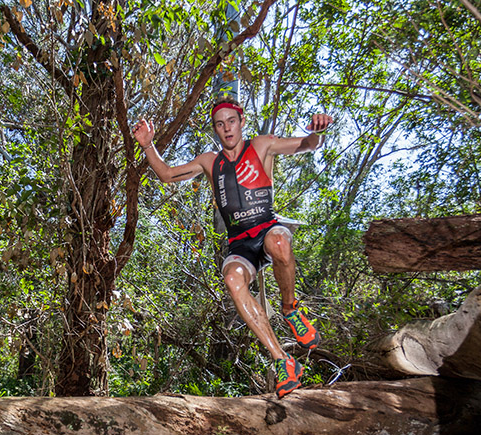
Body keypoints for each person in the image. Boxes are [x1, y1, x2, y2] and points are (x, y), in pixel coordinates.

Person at [131, 96, 331, 398]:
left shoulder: (262, 145)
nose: (227, 128)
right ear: (216, 129)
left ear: (242, 122)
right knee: (232, 279)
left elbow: (307, 145)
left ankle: (290, 309)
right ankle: (282, 361)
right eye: (220, 124)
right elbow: (167, 175)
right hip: (240, 242)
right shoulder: (210, 162)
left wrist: (318, 130)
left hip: (267, 227)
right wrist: (147, 144)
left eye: (232, 121)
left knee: (279, 243)